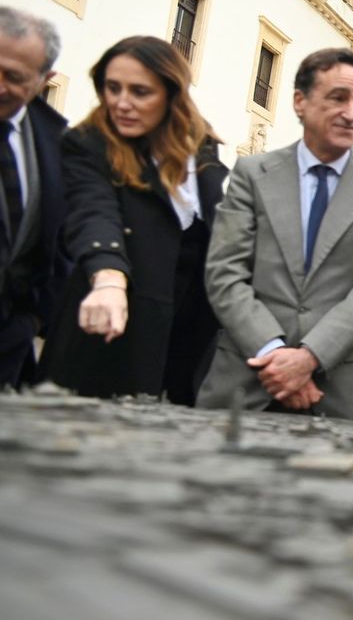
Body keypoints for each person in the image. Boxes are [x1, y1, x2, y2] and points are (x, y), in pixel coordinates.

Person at [197, 49, 353, 419]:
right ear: (300, 101)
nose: (352, 114)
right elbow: (225, 272)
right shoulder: (252, 173)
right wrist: (275, 355)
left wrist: (309, 358)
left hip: (342, 387)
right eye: (338, 98)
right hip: (247, 378)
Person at [40, 37, 226, 404]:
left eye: (140, 92)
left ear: (172, 94)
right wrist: (108, 279)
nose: (121, 102)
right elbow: (93, 213)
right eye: (112, 88)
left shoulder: (201, 145)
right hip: (111, 332)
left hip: (186, 341)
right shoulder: (87, 144)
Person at [0, 7, 68, 389]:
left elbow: (59, 240)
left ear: (44, 80)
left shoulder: (56, 143)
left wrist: (35, 319)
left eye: (14, 77)